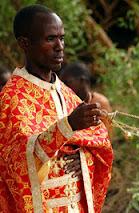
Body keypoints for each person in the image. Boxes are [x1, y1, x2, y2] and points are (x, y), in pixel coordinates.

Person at [0, 4, 113, 212]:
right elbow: (17, 164)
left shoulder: (66, 93)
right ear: (25, 43)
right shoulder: (12, 98)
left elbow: (98, 146)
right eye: (50, 39)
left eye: (61, 38)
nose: (59, 46)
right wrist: (68, 124)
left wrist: (83, 158)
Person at [59, 62, 113, 134]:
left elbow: (107, 135)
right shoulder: (67, 103)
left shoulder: (100, 102)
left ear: (82, 81)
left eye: (67, 82)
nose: (63, 87)